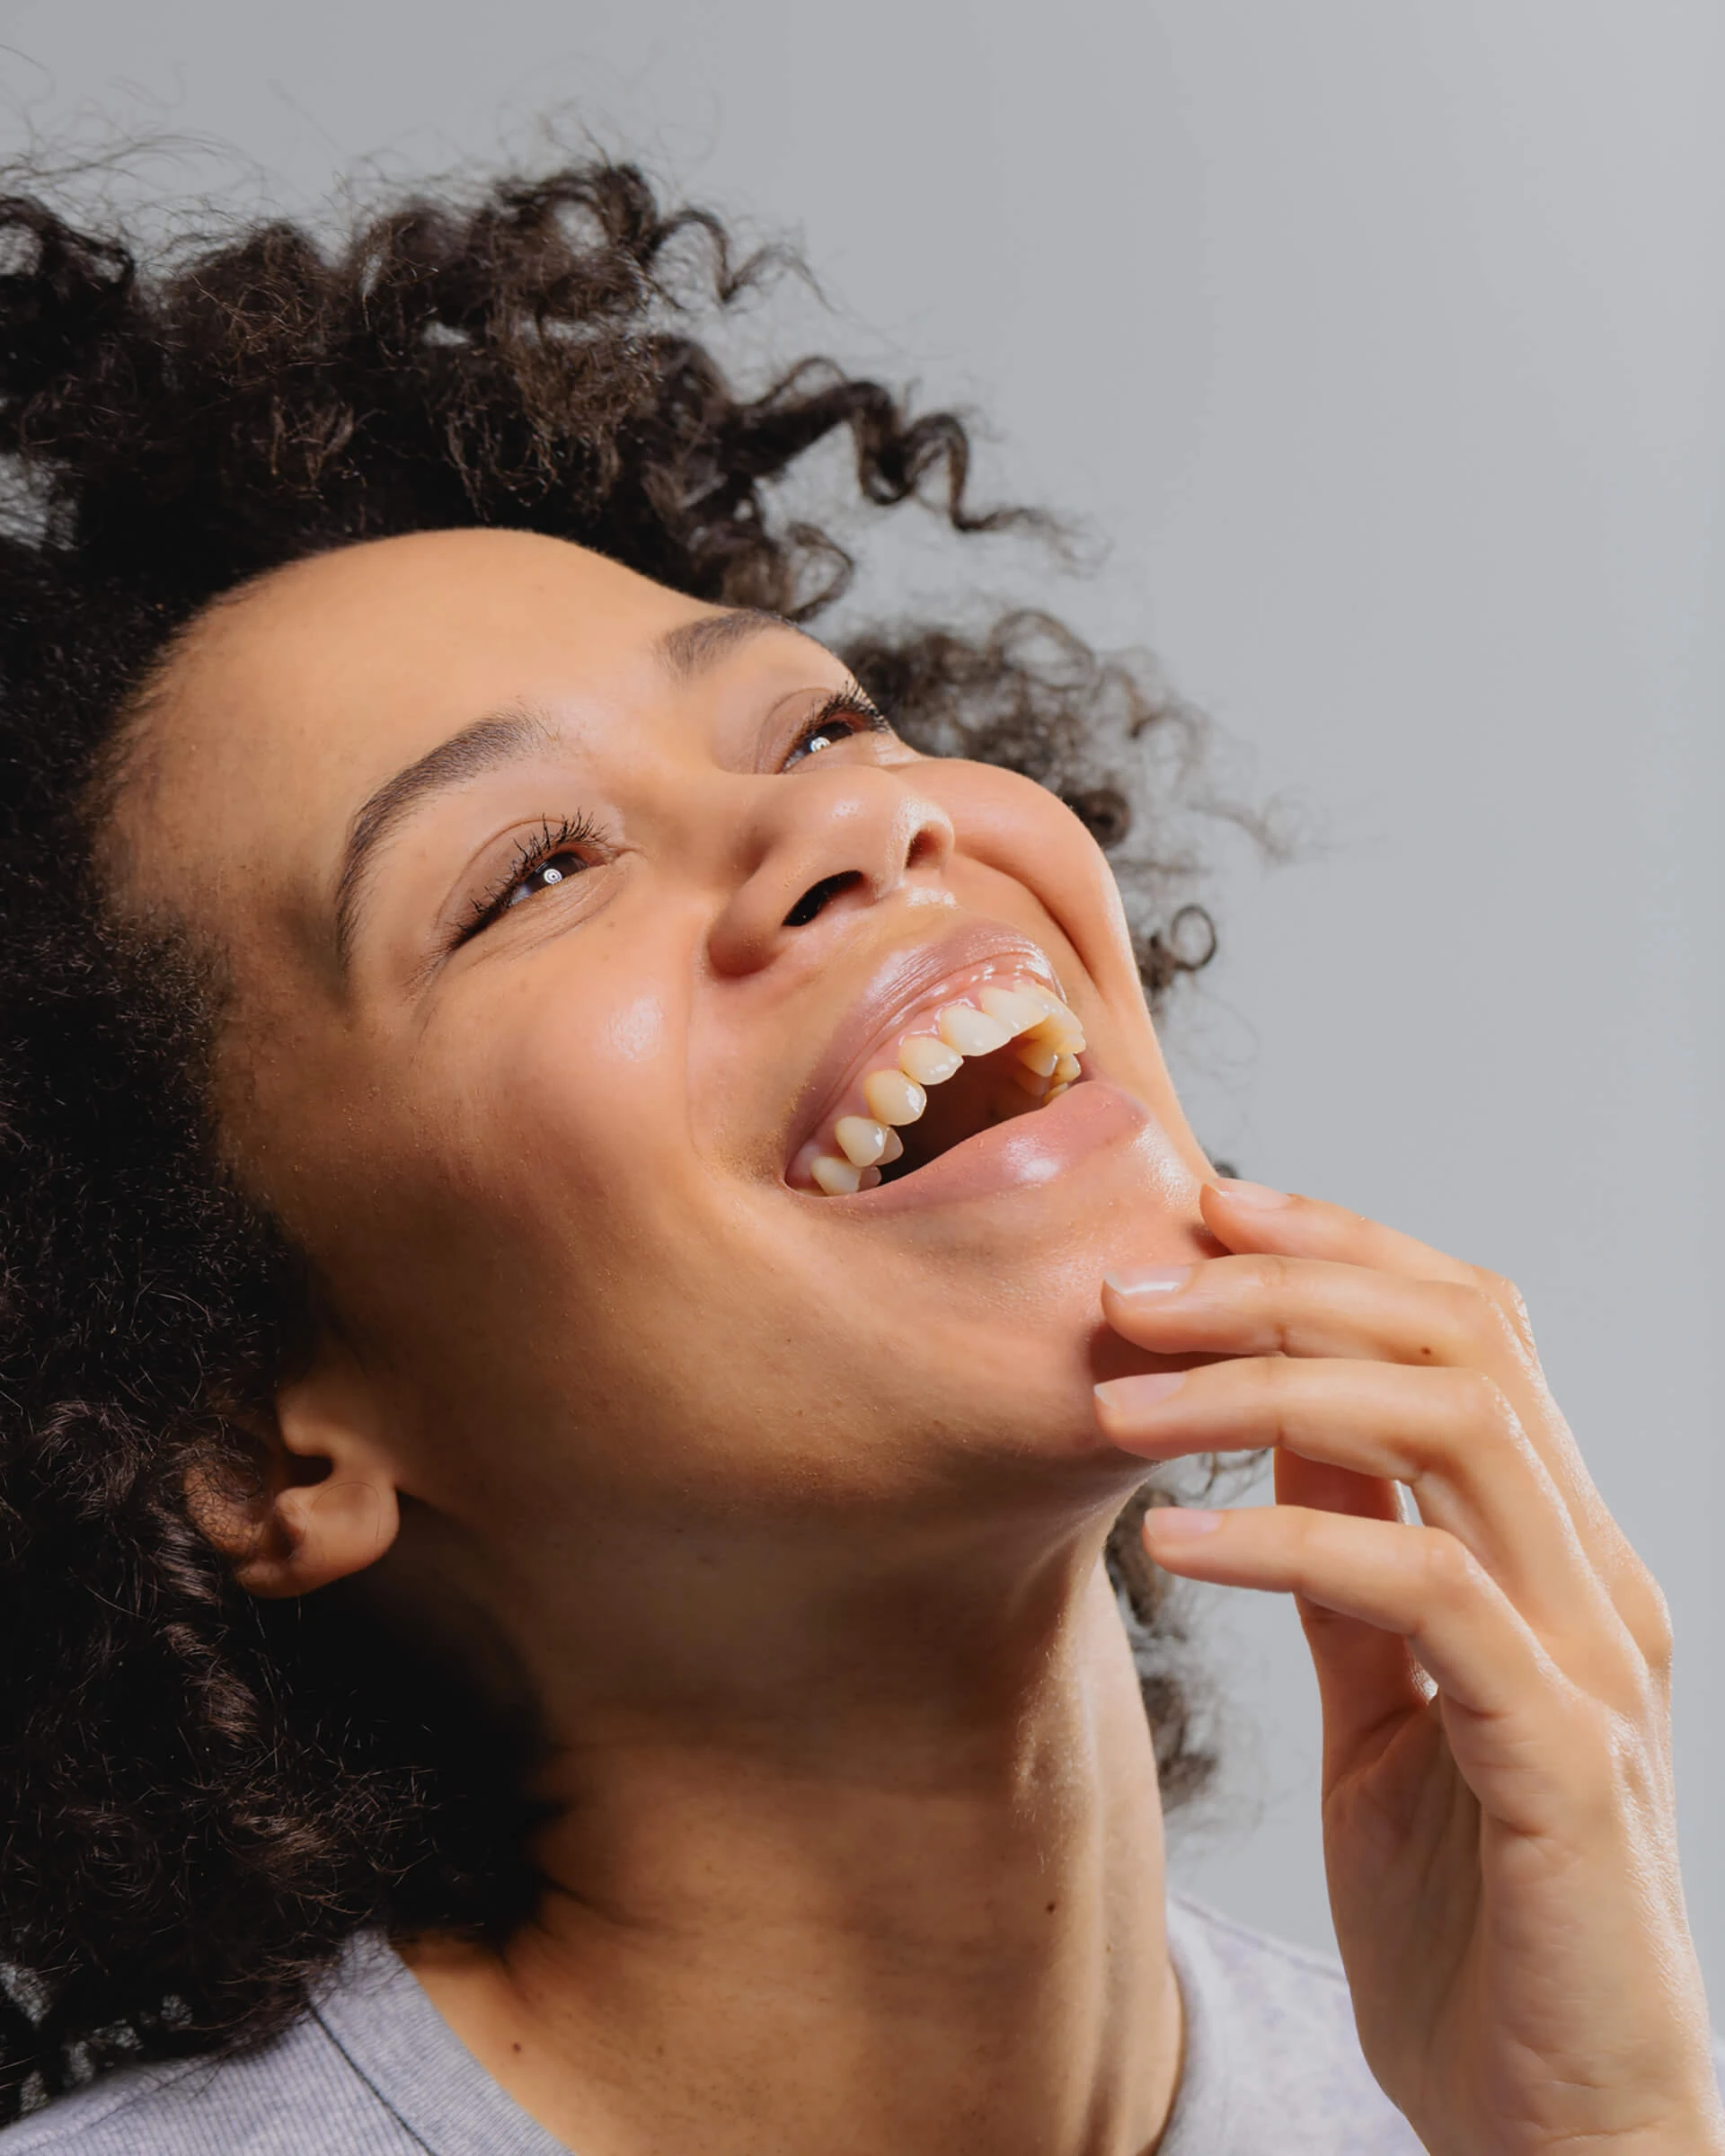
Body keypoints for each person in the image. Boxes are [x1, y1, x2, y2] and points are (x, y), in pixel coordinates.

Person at [0, 153, 1716, 2156]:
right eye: (534, 872)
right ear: (251, 1441)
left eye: (817, 728)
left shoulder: (1516, 2108)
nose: (851, 822)